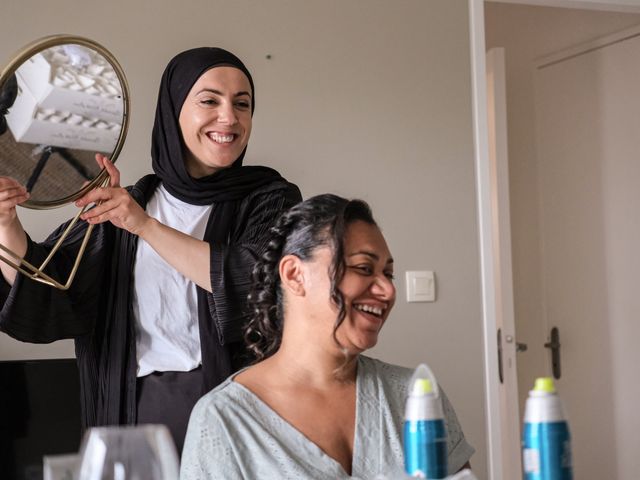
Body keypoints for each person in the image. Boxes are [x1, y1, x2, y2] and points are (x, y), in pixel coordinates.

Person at [0, 47, 301, 453]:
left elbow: (256, 286)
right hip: (131, 410)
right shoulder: (133, 200)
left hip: (238, 411)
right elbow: (50, 290)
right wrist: (6, 223)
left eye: (242, 104)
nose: (228, 118)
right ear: (173, 109)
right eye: (209, 100)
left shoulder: (271, 199)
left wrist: (145, 226)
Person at [180, 194, 474, 479]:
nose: (388, 290)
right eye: (364, 268)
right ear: (294, 274)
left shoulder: (414, 395)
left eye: (389, 274)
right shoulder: (223, 420)